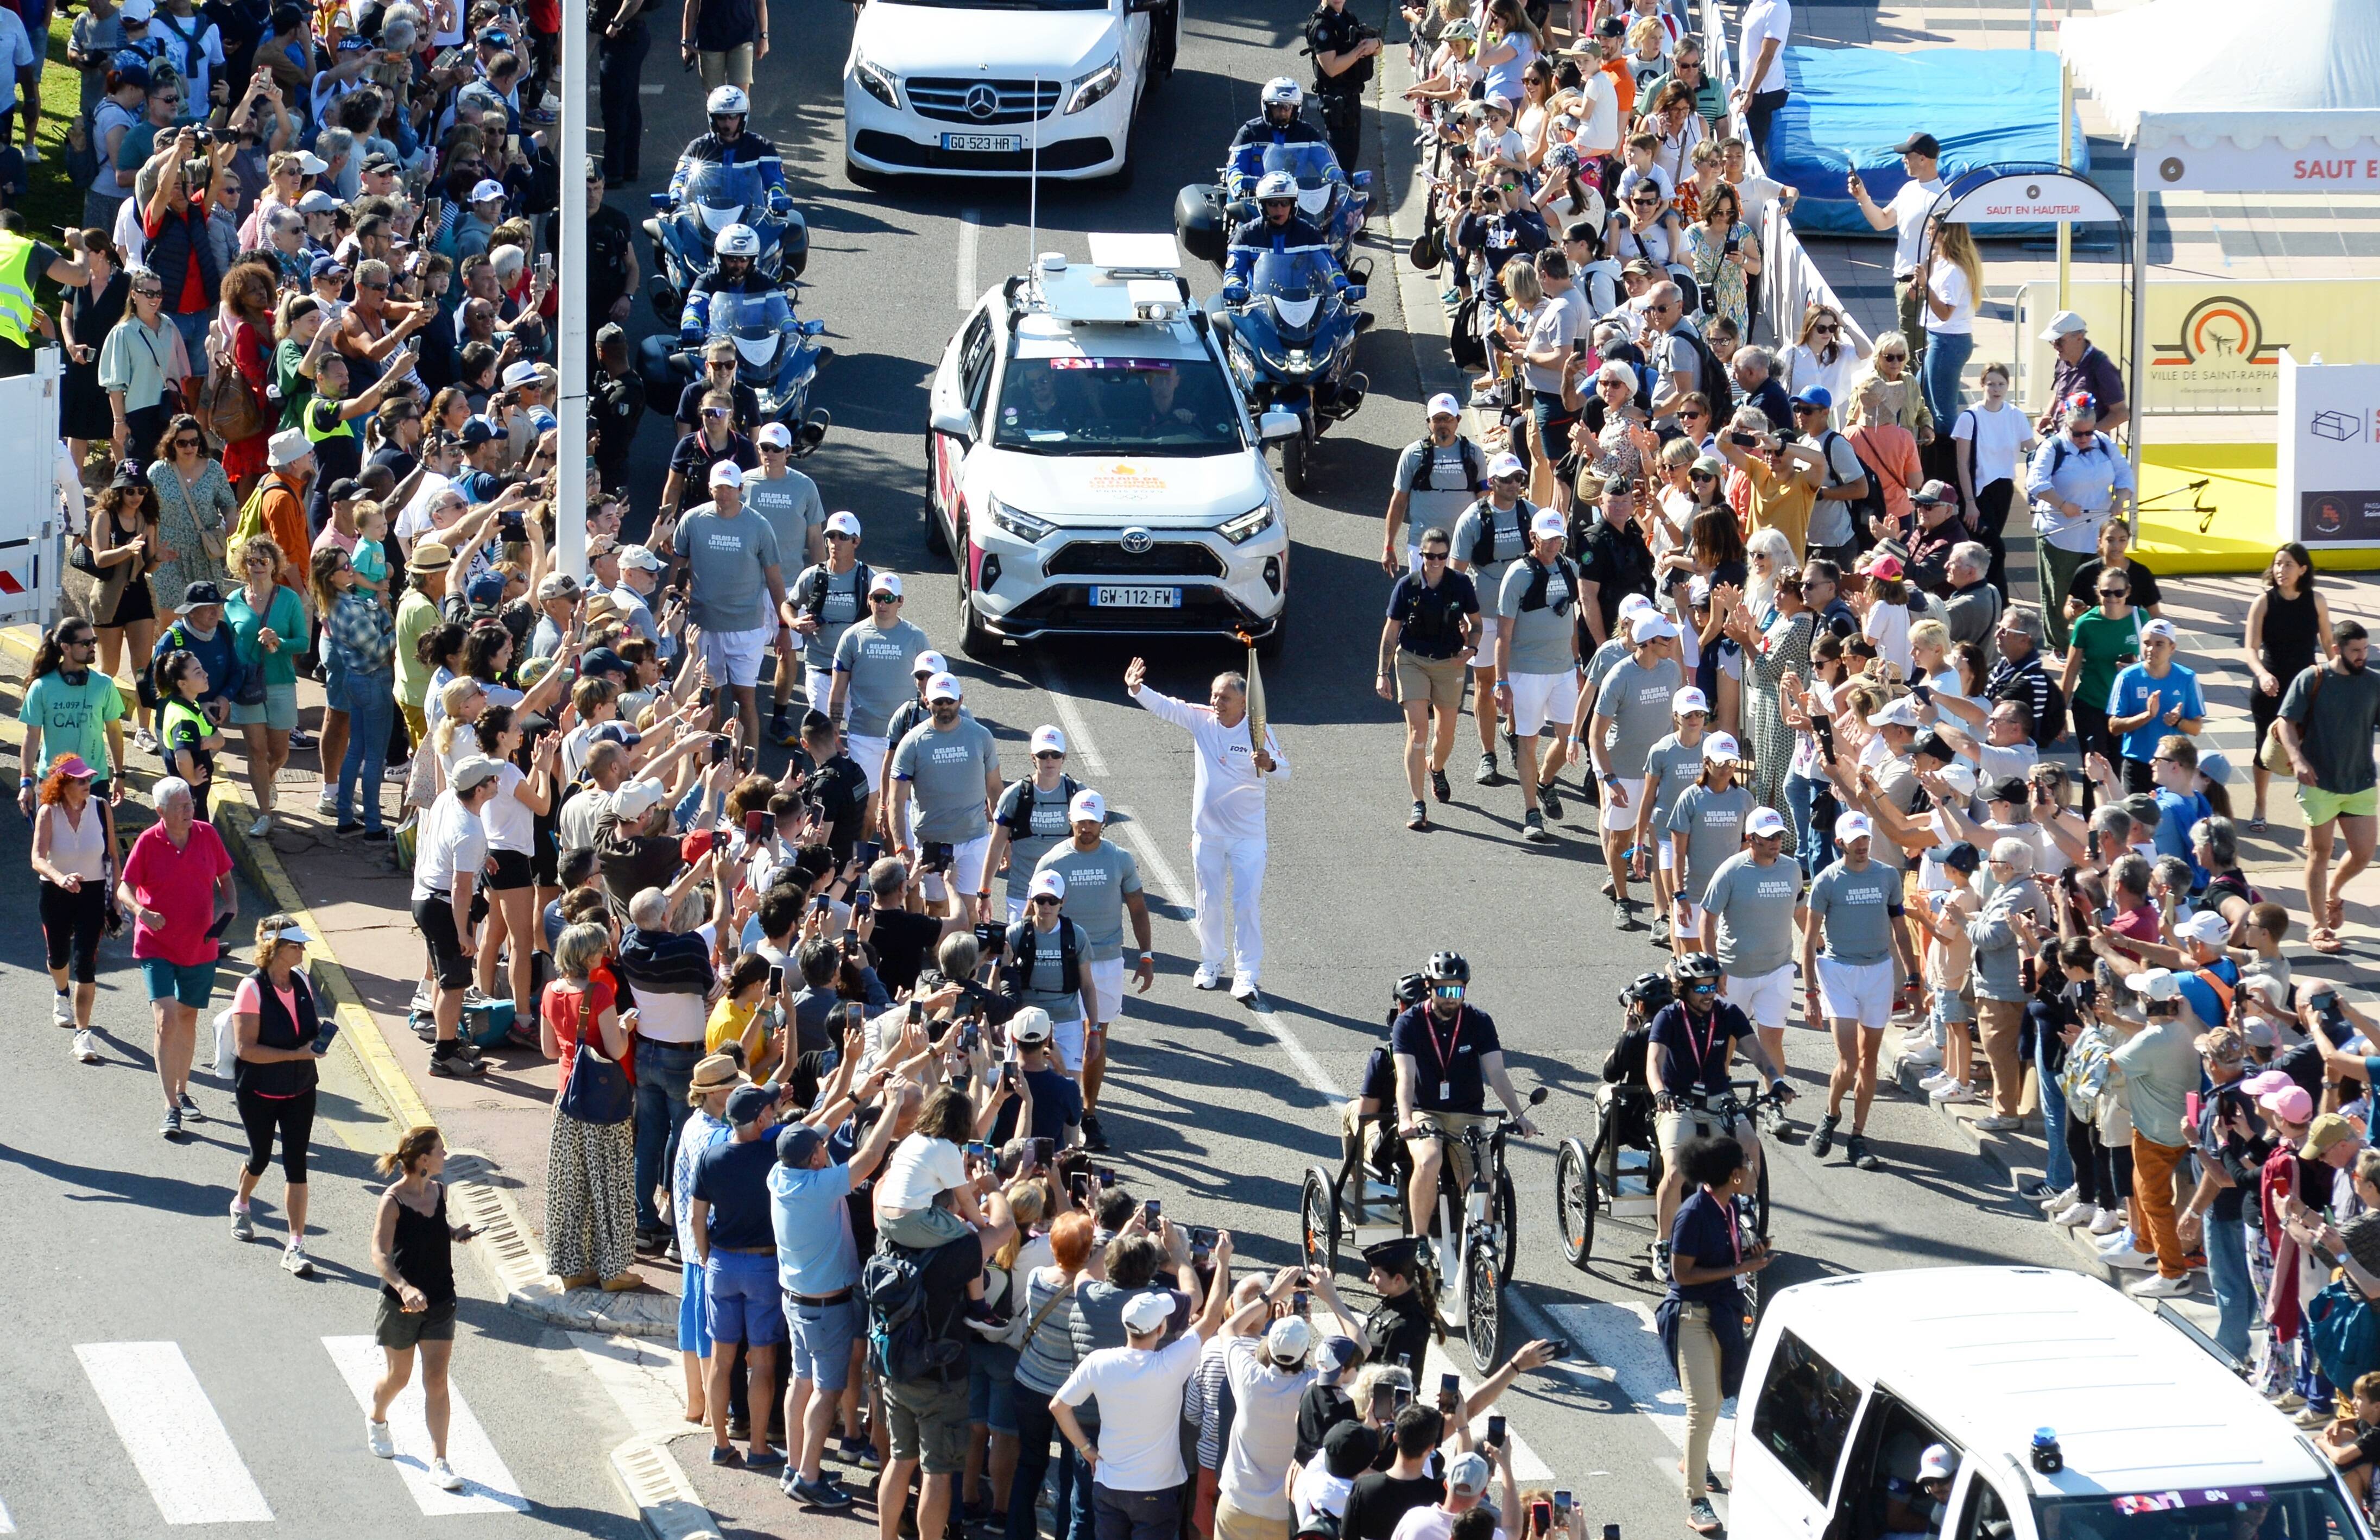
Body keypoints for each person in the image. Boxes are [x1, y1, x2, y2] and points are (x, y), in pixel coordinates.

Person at [1126, 657, 1287, 1006]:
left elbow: (1285, 770)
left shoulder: (1258, 730)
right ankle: (1211, 962)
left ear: (1244, 702)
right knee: (1208, 903)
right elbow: (1168, 707)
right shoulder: (1202, 720)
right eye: (1214, 696)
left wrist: (1269, 764)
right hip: (1207, 836)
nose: (1216, 703)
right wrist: (1137, 689)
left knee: (1246, 905)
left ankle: (1246, 974)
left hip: (1248, 838)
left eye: (1224, 698)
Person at [1052, 1238, 1237, 1540]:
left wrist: (1087, 1450)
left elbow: (1059, 1407)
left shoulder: (1100, 1362)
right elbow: (1213, 1315)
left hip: (1109, 1486)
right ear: (1162, 1328)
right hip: (1156, 1492)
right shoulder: (1171, 1363)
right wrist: (1224, 1262)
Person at [774, 1077, 904, 1509]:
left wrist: (855, 1095)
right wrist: (893, 1105)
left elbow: (820, 1127)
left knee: (801, 1381)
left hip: (795, 1299)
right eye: (819, 1148)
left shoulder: (780, 1174)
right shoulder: (820, 1185)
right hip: (826, 1308)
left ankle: (795, 1466)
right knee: (827, 1392)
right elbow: (868, 1159)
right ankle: (809, 1477)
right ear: (814, 1158)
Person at [1646, 950, 1793, 1260]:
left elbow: (1757, 1053)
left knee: (1750, 1143)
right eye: (1700, 988)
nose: (1708, 993)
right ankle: (1662, 1243)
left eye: (1712, 986)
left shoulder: (1728, 1013)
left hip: (1718, 1098)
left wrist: (1775, 1080)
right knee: (1675, 1172)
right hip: (1678, 1102)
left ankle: (1746, 1205)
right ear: (1683, 988)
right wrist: (1660, 1092)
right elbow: (1653, 1063)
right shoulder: (1669, 1017)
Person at [1658, 1134, 1771, 1535]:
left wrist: (1750, 1256)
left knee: (1717, 1396)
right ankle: (1696, 1501)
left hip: (1721, 1314)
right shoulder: (1693, 1213)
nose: (1752, 1171)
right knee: (1702, 1407)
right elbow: (1682, 1274)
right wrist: (1739, 1271)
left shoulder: (1729, 1206)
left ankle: (1693, 1458)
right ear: (1734, 1176)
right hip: (1691, 1316)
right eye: (1747, 1165)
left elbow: (1726, 1256)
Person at [1033, 790, 1153, 1149]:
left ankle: (1088, 1113)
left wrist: (1145, 955)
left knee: (1096, 1037)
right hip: (1061, 961)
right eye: (1081, 821)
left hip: (1105, 961)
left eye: (1093, 821)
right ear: (1070, 820)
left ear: (1103, 822)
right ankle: (1056, 1107)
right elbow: (1034, 913)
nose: (1086, 828)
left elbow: (1137, 908)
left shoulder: (1119, 859)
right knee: (1057, 1036)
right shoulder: (1053, 861)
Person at [1390, 951, 1538, 1236]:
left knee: (1482, 1178)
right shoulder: (1408, 1024)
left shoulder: (1479, 1021)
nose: (1451, 998)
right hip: (1425, 1111)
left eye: (1457, 990)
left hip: (1467, 1113)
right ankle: (1420, 1239)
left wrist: (1519, 1115)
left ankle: (1485, 1246)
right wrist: (1406, 1118)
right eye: (1444, 990)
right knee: (1429, 1159)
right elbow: (1406, 1076)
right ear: (1429, 988)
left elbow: (1497, 1074)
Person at [364, 1125, 478, 1491]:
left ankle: (440, 1461)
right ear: (424, 1160)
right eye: (441, 1151)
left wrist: (454, 1233)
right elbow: (379, 1254)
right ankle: (378, 1418)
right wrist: (404, 1287)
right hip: (401, 1306)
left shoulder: (439, 1191)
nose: (446, 1155)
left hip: (441, 1299)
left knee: (436, 1380)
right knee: (399, 1377)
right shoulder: (393, 1200)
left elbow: (432, 1227)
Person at [691, 1081, 797, 1470]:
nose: (772, 1114)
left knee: (722, 1359)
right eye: (767, 1110)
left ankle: (720, 1444)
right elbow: (821, 1120)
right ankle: (758, 1448)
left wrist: (707, 1260)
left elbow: (696, 1218)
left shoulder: (710, 1156)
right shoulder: (773, 1151)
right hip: (763, 1266)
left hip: (721, 1264)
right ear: (759, 1118)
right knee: (764, 1362)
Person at [120, 777, 234, 1139]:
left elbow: (225, 877)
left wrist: (230, 904)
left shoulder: (206, 834)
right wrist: (141, 911)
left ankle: (183, 1092)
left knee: (187, 1017)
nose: (190, 811)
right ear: (161, 812)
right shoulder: (148, 842)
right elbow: (124, 887)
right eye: (182, 807)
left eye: (191, 804)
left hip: (200, 944)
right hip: (156, 945)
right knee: (166, 1020)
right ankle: (170, 1105)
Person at [1801, 812, 1915, 1171]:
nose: (1862, 845)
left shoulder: (1885, 876)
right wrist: (1809, 993)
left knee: (1869, 1060)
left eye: (1865, 838)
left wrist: (1911, 977)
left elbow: (1900, 930)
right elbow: (1808, 942)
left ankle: (1857, 1136)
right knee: (1848, 1060)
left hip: (1877, 971)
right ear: (1840, 843)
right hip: (1838, 972)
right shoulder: (1826, 881)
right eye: (1854, 840)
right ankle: (1831, 1114)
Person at [541, 920, 640, 1292]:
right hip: (602, 1103)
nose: (605, 955)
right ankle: (613, 1270)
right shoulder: (599, 994)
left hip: (566, 1098)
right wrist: (624, 1027)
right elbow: (614, 1050)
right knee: (610, 1184)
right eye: (600, 950)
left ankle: (572, 1267)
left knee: (572, 1186)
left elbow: (551, 1050)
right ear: (587, 955)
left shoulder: (551, 991)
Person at [227, 912, 327, 1277]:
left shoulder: (300, 980)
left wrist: (315, 1045)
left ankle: (295, 1246)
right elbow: (246, 1049)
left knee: (296, 1163)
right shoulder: (250, 989)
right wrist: (296, 1054)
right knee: (260, 1156)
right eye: (295, 945)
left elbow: (309, 1027)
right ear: (275, 948)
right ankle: (241, 1203)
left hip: (301, 1086)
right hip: (259, 1090)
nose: (302, 950)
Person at [2276, 620, 2380, 955]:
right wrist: (2298, 759)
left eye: (2366, 650)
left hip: (2360, 781)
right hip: (2319, 782)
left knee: (2364, 853)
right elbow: (2284, 723)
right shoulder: (2313, 679)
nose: (2363, 656)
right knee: (2320, 853)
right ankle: (2319, 926)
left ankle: (2333, 892)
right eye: (2356, 651)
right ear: (2336, 649)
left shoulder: (2374, 683)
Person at [1577, 611, 1684, 929]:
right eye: (1667, 639)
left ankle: (1660, 915)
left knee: (1660, 842)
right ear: (1649, 642)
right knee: (1621, 841)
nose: (1672, 642)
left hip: (1662, 775)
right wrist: (1609, 779)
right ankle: (1623, 899)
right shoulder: (1619, 676)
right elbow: (1595, 735)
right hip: (1624, 774)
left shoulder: (1673, 671)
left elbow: (1677, 719)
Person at [1378, 524, 1480, 831]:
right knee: (1418, 732)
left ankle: (1436, 768)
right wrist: (1382, 673)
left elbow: (1476, 623)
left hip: (1450, 663)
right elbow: (1391, 631)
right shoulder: (1406, 587)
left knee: (1446, 734)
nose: (1436, 562)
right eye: (1430, 556)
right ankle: (1418, 804)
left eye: (1442, 556)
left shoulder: (1460, 584)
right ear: (1421, 555)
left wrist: (1472, 647)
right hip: (1412, 661)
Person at [1495, 509, 1584, 844]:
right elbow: (1504, 633)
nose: (1553, 545)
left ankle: (1545, 781)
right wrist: (1502, 682)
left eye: (1558, 538)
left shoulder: (1569, 568)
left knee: (1569, 738)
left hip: (1562, 670)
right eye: (1547, 539)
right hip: (1526, 672)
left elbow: (1571, 620)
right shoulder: (1517, 575)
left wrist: (1576, 663)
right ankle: (1532, 811)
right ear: (1533, 538)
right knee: (1528, 742)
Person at [411, 755, 500, 1080]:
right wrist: (464, 934)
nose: (497, 782)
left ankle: (446, 1039)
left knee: (443, 978)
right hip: (445, 907)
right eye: (492, 780)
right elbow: (461, 889)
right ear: (479, 790)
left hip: (425, 898)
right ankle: (444, 1055)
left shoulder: (450, 797)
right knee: (455, 985)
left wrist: (482, 858)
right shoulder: (470, 832)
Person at [2024, 394, 2133, 653]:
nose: (2084, 438)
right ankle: (2060, 644)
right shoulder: (2053, 447)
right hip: (2061, 533)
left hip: (2097, 534)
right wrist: (2061, 504)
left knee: (2098, 590)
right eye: (2077, 433)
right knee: (2059, 593)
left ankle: (2092, 642)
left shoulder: (2104, 443)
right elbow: (2036, 483)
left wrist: (2121, 499)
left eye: (2089, 432)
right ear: (2066, 426)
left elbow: (2125, 475)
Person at [33, 755, 116, 1061]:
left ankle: (83, 1035)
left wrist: (116, 895)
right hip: (55, 892)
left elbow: (112, 854)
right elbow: (38, 858)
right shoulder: (48, 812)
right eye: (80, 780)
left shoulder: (100, 807)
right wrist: (60, 877)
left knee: (86, 963)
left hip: (92, 893)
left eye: (89, 779)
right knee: (58, 957)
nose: (87, 784)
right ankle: (61, 993)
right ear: (64, 783)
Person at [2245, 543, 2332, 832]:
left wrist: (2339, 674)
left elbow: (2328, 644)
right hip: (2271, 686)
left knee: (2308, 751)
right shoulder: (2264, 602)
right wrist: (2261, 674)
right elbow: (2251, 648)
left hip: (2307, 688)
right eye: (2278, 564)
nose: (2281, 570)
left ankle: (2310, 814)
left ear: (2303, 569)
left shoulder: (2316, 600)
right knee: (2265, 751)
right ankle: (2260, 806)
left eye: (2289, 564)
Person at [224, 533, 306, 837]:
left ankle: (268, 779)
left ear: (274, 565)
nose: (258, 565)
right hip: (246, 686)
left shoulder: (288, 599)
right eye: (252, 561)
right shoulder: (232, 602)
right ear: (244, 566)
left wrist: (279, 641)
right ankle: (264, 814)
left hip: (280, 682)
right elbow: (227, 643)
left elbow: (304, 643)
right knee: (256, 751)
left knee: (279, 753)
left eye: (264, 560)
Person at [1845, 133, 1945, 362]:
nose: (1903, 161)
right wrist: (1863, 198)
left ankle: (1915, 396)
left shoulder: (1941, 198)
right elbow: (1882, 221)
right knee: (1908, 352)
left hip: (1917, 284)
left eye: (1907, 156)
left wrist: (1917, 282)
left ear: (1923, 159)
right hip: (1905, 281)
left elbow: (1942, 248)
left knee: (1911, 355)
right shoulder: (1910, 189)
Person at [18, 618, 128, 816]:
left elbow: (114, 731)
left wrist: (119, 775)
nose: (93, 647)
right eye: (86, 643)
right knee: (50, 844)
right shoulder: (42, 687)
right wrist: (26, 781)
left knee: (96, 845)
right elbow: (32, 736)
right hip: (53, 780)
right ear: (65, 647)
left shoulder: (104, 685)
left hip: (94, 781)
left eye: (94, 640)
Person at [1948, 363, 2034, 596]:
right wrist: (1970, 502)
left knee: (1985, 550)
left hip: (2004, 489)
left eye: (2001, 384)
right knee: (1995, 548)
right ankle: (2001, 601)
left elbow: (2033, 450)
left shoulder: (2015, 415)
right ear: (1983, 385)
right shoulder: (1970, 417)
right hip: (1977, 491)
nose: (1996, 389)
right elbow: (1962, 465)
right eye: (1991, 384)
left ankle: (1982, 595)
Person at [1382, 395, 1486, 577]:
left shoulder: (1474, 454)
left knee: (1460, 603)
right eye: (1437, 419)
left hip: (1463, 547)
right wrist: (1389, 546)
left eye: (1448, 419)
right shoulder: (1412, 454)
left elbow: (1485, 502)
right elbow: (1399, 502)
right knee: (1423, 602)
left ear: (1458, 420)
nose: (1442, 424)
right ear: (1429, 422)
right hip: (1423, 546)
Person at [2106, 619, 2204, 794]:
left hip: (2173, 766)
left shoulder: (2187, 678)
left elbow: (2196, 728)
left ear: (2172, 648)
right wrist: (2148, 716)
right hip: (2138, 766)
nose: (2151, 649)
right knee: (2137, 819)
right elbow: (2114, 727)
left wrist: (2178, 722)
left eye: (2159, 644)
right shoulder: (2127, 678)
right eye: (2147, 643)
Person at [1306, 0, 1382, 171]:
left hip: (1352, 99)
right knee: (1340, 164)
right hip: (1336, 102)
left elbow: (1376, 47)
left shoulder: (1347, 18)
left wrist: (1375, 44)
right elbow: (1331, 68)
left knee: (1351, 157)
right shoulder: (1321, 25)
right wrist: (1359, 51)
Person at [2035, 310, 2128, 438]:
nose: (2055, 346)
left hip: (2089, 450)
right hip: (2061, 439)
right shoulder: (2064, 358)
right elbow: (2059, 391)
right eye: (2052, 341)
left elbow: (2121, 414)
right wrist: (2048, 414)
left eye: (2059, 341)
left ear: (2079, 338)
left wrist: (2085, 436)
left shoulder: (2101, 366)